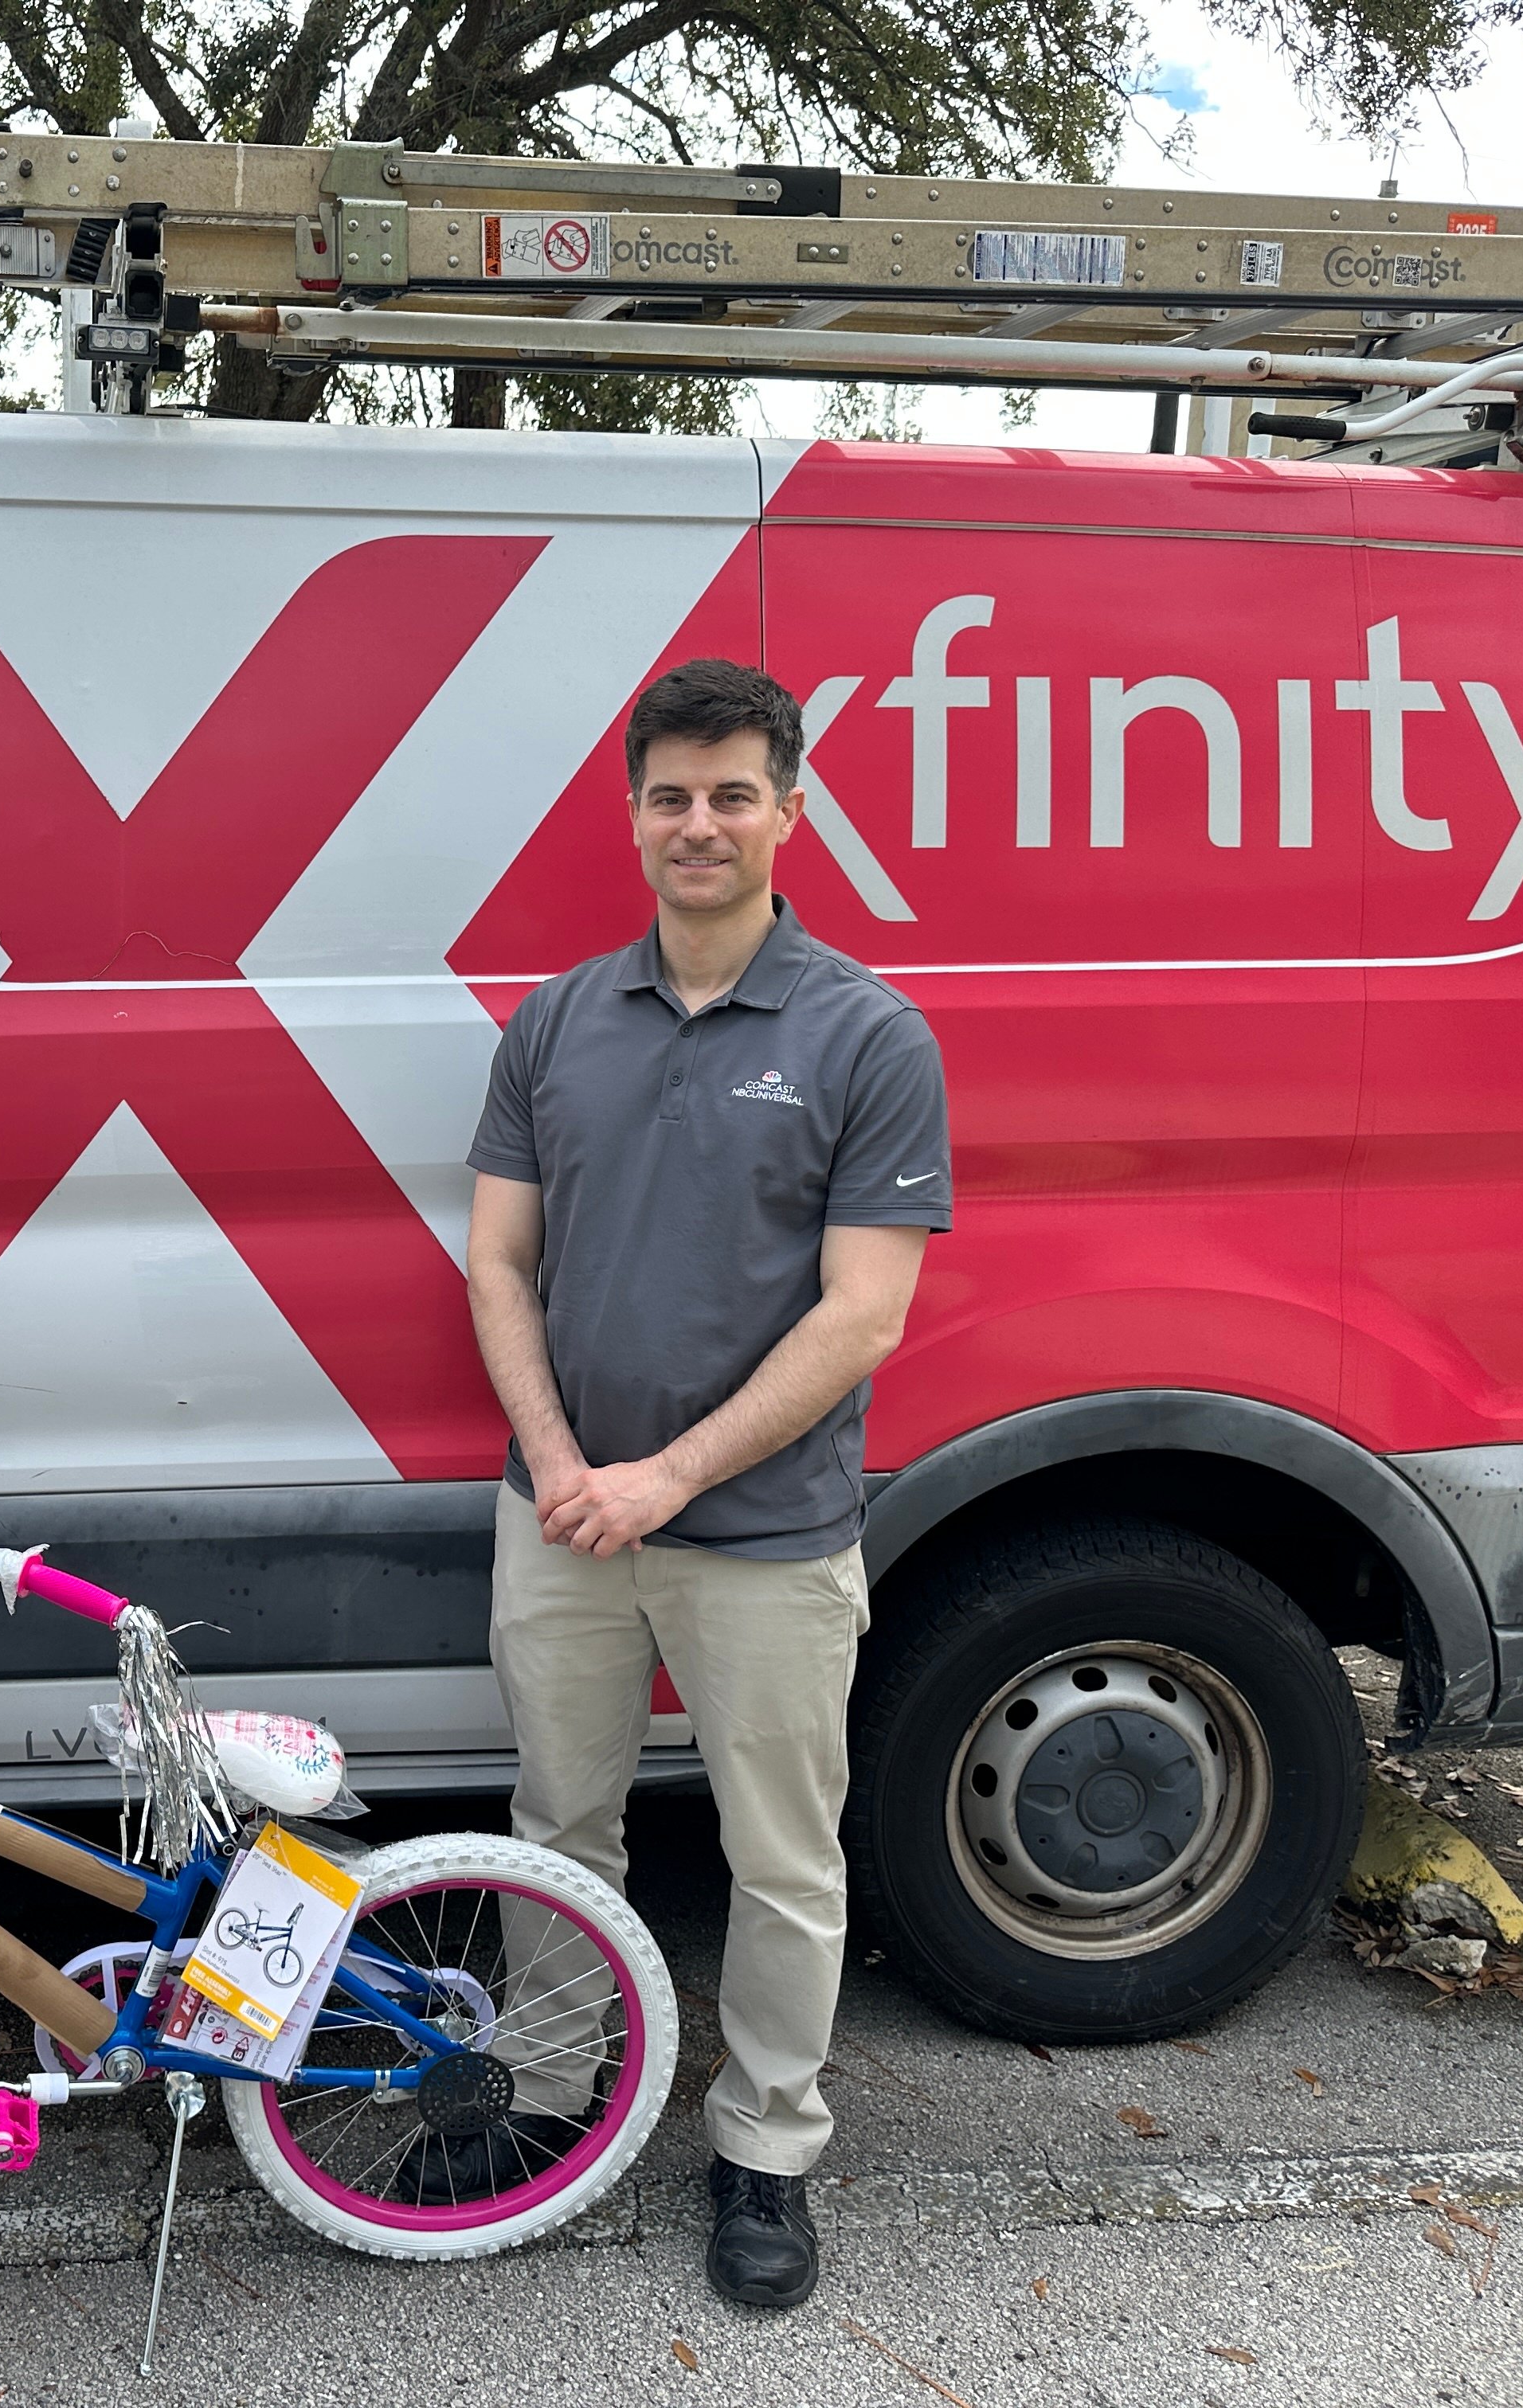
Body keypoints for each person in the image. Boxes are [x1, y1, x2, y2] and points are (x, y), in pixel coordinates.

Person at [462, 657, 949, 2311]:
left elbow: (865, 1314)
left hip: (762, 1535)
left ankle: (766, 2150)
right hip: (563, 1516)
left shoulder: (867, 1034)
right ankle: (545, 2100)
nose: (701, 822)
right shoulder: (555, 1021)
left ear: (788, 811)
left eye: (734, 791)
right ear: (633, 815)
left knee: (781, 1855)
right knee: (558, 1827)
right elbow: (500, 1267)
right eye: (671, 794)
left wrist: (661, 1476)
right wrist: (556, 1466)